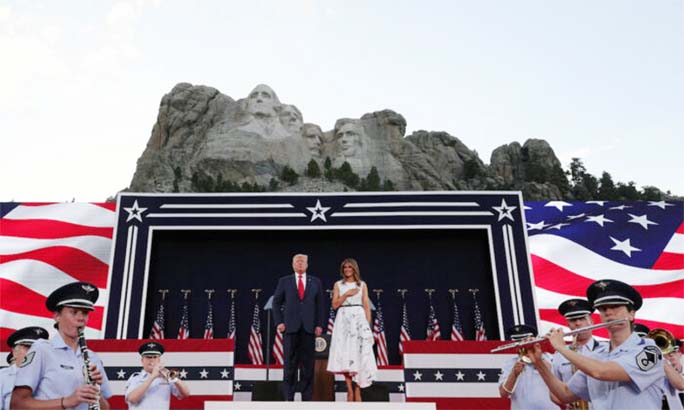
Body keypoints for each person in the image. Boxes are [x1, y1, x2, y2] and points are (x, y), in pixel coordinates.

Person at [526, 279, 665, 409]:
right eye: (603, 309)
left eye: (615, 307)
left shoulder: (649, 350)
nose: (609, 312)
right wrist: (539, 363)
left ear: (631, 314)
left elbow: (601, 372)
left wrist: (561, 348)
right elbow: (564, 394)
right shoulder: (596, 356)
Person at [11, 281, 113, 409]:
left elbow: (105, 408)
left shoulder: (93, 357)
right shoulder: (42, 349)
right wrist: (68, 401)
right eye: (74, 312)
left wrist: (95, 390)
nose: (81, 318)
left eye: (85, 313)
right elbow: (17, 404)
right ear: (57, 316)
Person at [272, 254, 325, 401]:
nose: (300, 263)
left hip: (309, 329)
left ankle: (306, 398)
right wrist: (279, 323)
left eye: (303, 261)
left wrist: (319, 324)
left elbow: (320, 305)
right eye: (297, 261)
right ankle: (289, 398)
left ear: (307, 264)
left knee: (308, 366)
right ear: (292, 264)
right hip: (290, 329)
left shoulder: (315, 282)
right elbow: (276, 303)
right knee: (290, 365)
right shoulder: (284, 281)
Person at [326, 258, 378, 401]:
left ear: (354, 269)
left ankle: (357, 389)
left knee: (359, 355)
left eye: (350, 267)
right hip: (343, 320)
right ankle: (349, 389)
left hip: (359, 321)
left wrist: (368, 327)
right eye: (345, 267)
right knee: (346, 355)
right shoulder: (338, 285)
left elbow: (366, 306)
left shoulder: (362, 285)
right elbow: (334, 305)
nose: (347, 269)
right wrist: (346, 294)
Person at [551, 298, 601, 409]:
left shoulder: (606, 349)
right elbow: (553, 391)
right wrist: (565, 404)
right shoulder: (559, 355)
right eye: (573, 320)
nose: (578, 323)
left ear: (591, 322)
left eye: (582, 318)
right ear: (568, 324)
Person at [497, 324, 555, 409]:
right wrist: (514, 374)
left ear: (534, 340)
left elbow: (557, 378)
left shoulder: (549, 358)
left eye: (524, 342)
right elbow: (503, 394)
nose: (521, 346)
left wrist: (538, 359)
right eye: (517, 342)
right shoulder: (509, 363)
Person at [125, 341, 190, 409]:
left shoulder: (166, 377)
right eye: (148, 357)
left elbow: (186, 394)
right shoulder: (136, 378)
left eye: (155, 357)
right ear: (142, 360)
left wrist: (173, 378)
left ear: (159, 360)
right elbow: (132, 399)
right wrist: (152, 377)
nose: (152, 360)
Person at [0, 326, 50, 410]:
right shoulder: (2, 378)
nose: (33, 352)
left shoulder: (51, 377)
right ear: (15, 351)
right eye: (28, 347)